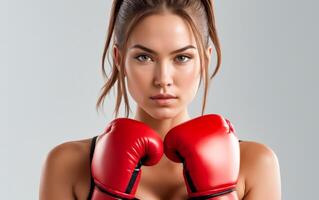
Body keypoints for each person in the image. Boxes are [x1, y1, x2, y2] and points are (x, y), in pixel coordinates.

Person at [39, 0, 282, 199]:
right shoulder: (68, 165)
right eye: (144, 57)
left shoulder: (254, 165)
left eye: (182, 58)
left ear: (204, 62)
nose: (163, 78)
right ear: (119, 59)